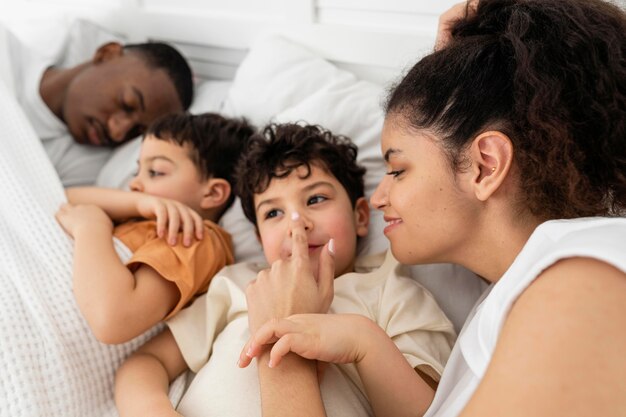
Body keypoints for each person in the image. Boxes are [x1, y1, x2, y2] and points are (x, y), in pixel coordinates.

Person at [237, 1, 626, 416]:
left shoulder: (583, 284)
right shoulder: (523, 295)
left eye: (398, 169)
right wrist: (460, 77)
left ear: (485, 165)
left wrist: (280, 344)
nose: (379, 195)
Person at [113, 123, 456, 417]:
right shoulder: (239, 282)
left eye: (315, 200)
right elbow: (146, 363)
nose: (297, 224)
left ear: (361, 216)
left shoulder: (391, 292)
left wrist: (364, 344)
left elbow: (427, 410)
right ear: (258, 237)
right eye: (273, 214)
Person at [55, 112, 255, 344]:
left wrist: (91, 228)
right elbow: (62, 199)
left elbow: (114, 321)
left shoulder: (195, 236)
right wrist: (138, 203)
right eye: (136, 171)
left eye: (156, 172)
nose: (134, 183)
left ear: (212, 193)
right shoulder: (138, 216)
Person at [5, 32, 193, 187]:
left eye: (136, 131)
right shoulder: (7, 55)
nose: (118, 132)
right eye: (127, 105)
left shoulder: (87, 167)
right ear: (106, 54)